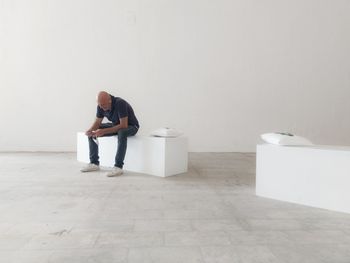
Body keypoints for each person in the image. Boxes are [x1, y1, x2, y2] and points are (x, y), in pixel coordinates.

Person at [80, 91, 139, 177]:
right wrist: (90, 130)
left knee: (121, 132)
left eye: (103, 105)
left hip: (131, 126)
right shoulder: (100, 105)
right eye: (100, 105)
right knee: (93, 133)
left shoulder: (120, 103)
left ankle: (118, 167)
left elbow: (123, 125)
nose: (101, 107)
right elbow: (97, 122)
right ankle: (94, 163)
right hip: (116, 125)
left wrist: (103, 131)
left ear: (109, 100)